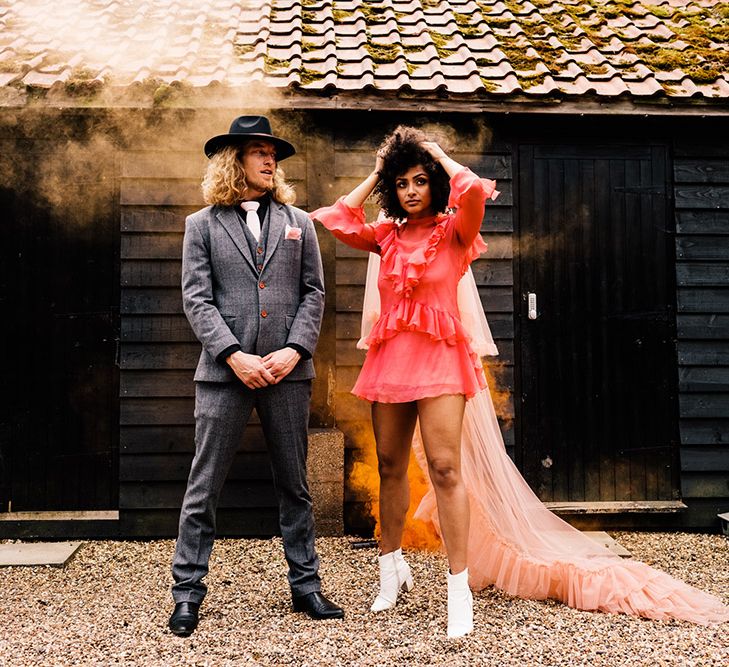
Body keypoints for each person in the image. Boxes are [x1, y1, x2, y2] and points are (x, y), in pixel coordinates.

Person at [311, 125, 729, 636]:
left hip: (442, 360)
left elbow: (469, 189)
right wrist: (379, 170)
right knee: (393, 467)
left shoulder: (455, 231)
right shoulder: (386, 236)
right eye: (402, 183)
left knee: (445, 469)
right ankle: (390, 569)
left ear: (434, 182)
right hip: (390, 361)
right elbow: (337, 219)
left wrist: (437, 153)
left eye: (420, 180)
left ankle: (457, 588)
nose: (412, 190)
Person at [169, 115, 343, 637]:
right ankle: (186, 592)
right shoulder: (200, 225)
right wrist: (233, 355)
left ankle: (306, 586)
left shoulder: (298, 222)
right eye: (257, 151)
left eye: (273, 153)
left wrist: (295, 350)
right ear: (233, 159)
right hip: (225, 375)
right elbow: (196, 299)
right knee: (204, 486)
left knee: (295, 483)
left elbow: (314, 292)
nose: (270, 160)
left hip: (289, 373)